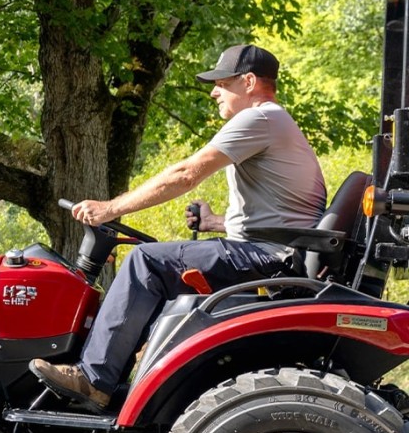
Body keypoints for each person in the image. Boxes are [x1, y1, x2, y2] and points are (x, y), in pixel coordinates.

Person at [29, 44, 326, 411]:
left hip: (266, 258)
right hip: (272, 252)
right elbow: (282, 216)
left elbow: (186, 174)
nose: (214, 91)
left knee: (145, 262)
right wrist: (215, 222)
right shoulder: (276, 122)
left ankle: (93, 379)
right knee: (157, 262)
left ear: (249, 82)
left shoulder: (260, 118)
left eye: (222, 83)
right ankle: (126, 375)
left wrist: (109, 208)